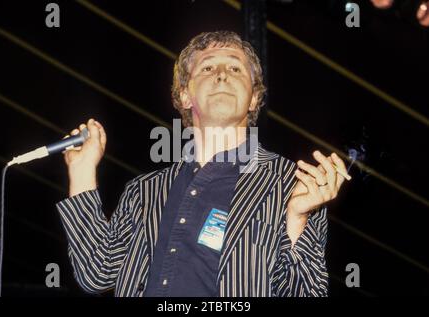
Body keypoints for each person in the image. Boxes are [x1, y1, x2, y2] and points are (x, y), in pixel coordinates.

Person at [56, 31, 348, 297]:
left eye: (235, 68)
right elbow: (96, 273)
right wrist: (81, 172)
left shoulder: (291, 184)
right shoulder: (143, 191)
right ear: (185, 95)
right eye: (207, 68)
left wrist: (296, 220)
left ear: (254, 98)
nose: (222, 75)